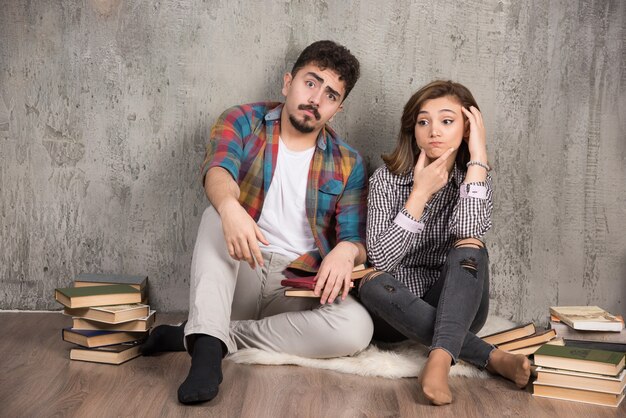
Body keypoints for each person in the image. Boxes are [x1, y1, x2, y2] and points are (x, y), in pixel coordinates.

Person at [141, 40, 373, 404]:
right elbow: (218, 170)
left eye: (330, 94)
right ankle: (205, 358)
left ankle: (206, 336)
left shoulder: (349, 162)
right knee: (215, 215)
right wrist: (230, 207)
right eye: (310, 83)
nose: (316, 99)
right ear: (287, 83)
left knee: (358, 328)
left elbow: (355, 236)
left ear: (337, 108)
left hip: (296, 288)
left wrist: (346, 251)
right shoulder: (242, 120)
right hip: (241, 267)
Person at [358, 80, 530, 406]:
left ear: (467, 128)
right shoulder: (387, 180)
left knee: (472, 244)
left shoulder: (473, 179)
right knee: (369, 282)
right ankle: (490, 358)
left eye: (447, 121)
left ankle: (438, 359)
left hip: (457, 303)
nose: (433, 130)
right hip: (395, 308)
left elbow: (468, 232)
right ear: (413, 129)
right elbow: (380, 260)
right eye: (424, 121)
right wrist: (419, 194)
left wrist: (478, 158)